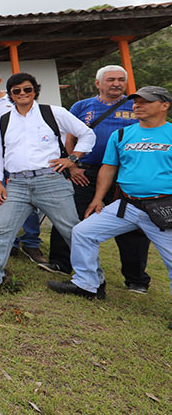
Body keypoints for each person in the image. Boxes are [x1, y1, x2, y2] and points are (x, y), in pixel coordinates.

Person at [0, 72, 95, 290]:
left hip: (51, 181)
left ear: (35, 91)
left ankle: (92, 282)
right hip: (16, 184)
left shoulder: (53, 112)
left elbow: (87, 134)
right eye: (16, 91)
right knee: (2, 231)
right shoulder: (2, 121)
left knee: (72, 232)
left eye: (27, 89)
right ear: (11, 95)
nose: (22, 94)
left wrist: (72, 158)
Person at [47, 86, 172, 311]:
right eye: (136, 101)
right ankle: (88, 285)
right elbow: (109, 167)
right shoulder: (123, 134)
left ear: (164, 105)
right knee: (83, 232)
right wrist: (98, 199)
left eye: (146, 101)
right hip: (128, 205)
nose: (137, 105)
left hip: (164, 207)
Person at [42, 65, 151, 291]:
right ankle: (60, 263)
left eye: (121, 80)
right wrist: (72, 166)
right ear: (98, 83)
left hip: (124, 176)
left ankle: (136, 279)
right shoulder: (82, 106)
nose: (116, 83)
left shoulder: (137, 106)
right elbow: (70, 136)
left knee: (132, 226)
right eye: (111, 79)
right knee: (70, 216)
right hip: (85, 173)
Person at [0, 66, 44, 262]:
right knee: (0, 199)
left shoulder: (13, 99)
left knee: (29, 199)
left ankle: (31, 242)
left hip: (17, 156)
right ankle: (9, 242)